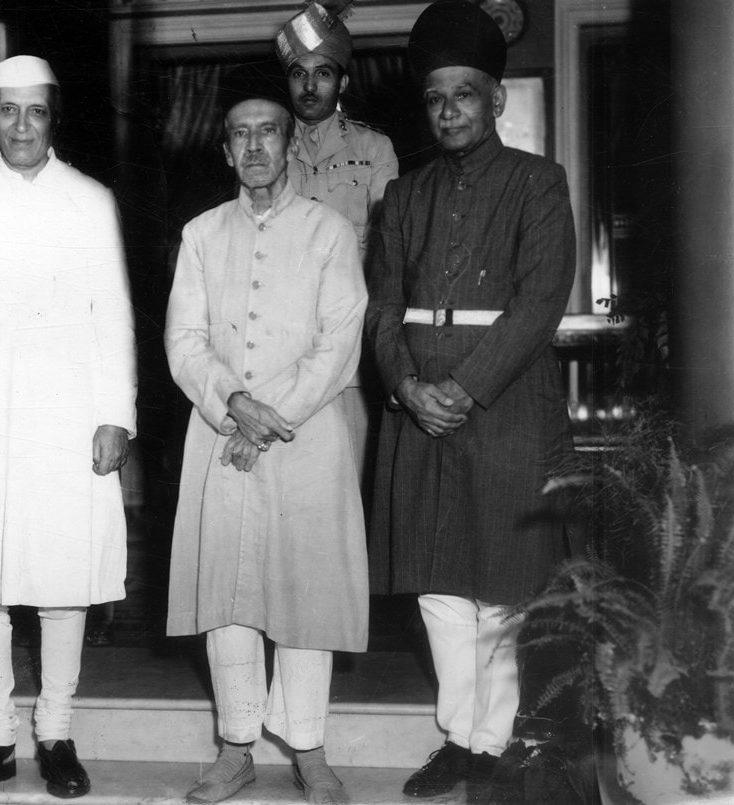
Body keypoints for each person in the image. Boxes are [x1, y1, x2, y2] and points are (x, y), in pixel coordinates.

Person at [364, 2, 576, 802]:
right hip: (420, 409)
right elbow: (383, 308)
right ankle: (459, 738)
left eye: (465, 94)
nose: (448, 110)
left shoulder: (537, 183)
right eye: (435, 97)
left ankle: (496, 741)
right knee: (440, 586)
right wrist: (409, 384)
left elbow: (538, 302)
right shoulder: (403, 196)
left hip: (507, 406)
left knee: (500, 583)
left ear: (497, 101)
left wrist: (463, 385)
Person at [0, 55, 137, 801]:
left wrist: (117, 412)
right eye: (7, 111)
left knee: (61, 579)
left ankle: (56, 730)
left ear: (54, 116)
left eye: (34, 111)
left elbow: (115, 316)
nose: (21, 126)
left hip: (67, 411)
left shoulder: (90, 200)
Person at [164, 64, 368, 805]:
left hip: (308, 436)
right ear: (225, 151)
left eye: (268, 131)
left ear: (290, 145)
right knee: (229, 595)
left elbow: (339, 340)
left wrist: (268, 413)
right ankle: (236, 746)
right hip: (222, 434)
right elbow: (183, 340)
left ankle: (309, 749)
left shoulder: (329, 231)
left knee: (305, 595)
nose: (255, 145)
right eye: (240, 134)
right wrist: (234, 404)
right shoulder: (200, 234)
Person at [275, 0, 398, 482]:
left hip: (351, 349)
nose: (310, 86)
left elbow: (388, 250)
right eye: (299, 74)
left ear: (342, 82)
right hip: (283, 345)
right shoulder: (267, 152)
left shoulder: (373, 149)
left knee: (348, 477)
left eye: (322, 74)